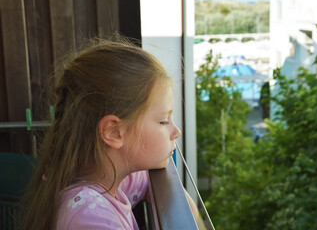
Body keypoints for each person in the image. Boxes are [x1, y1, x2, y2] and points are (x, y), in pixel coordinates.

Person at [22, 39, 196, 229]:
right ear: (113, 132)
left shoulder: (109, 176)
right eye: (163, 121)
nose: (176, 132)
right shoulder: (91, 219)